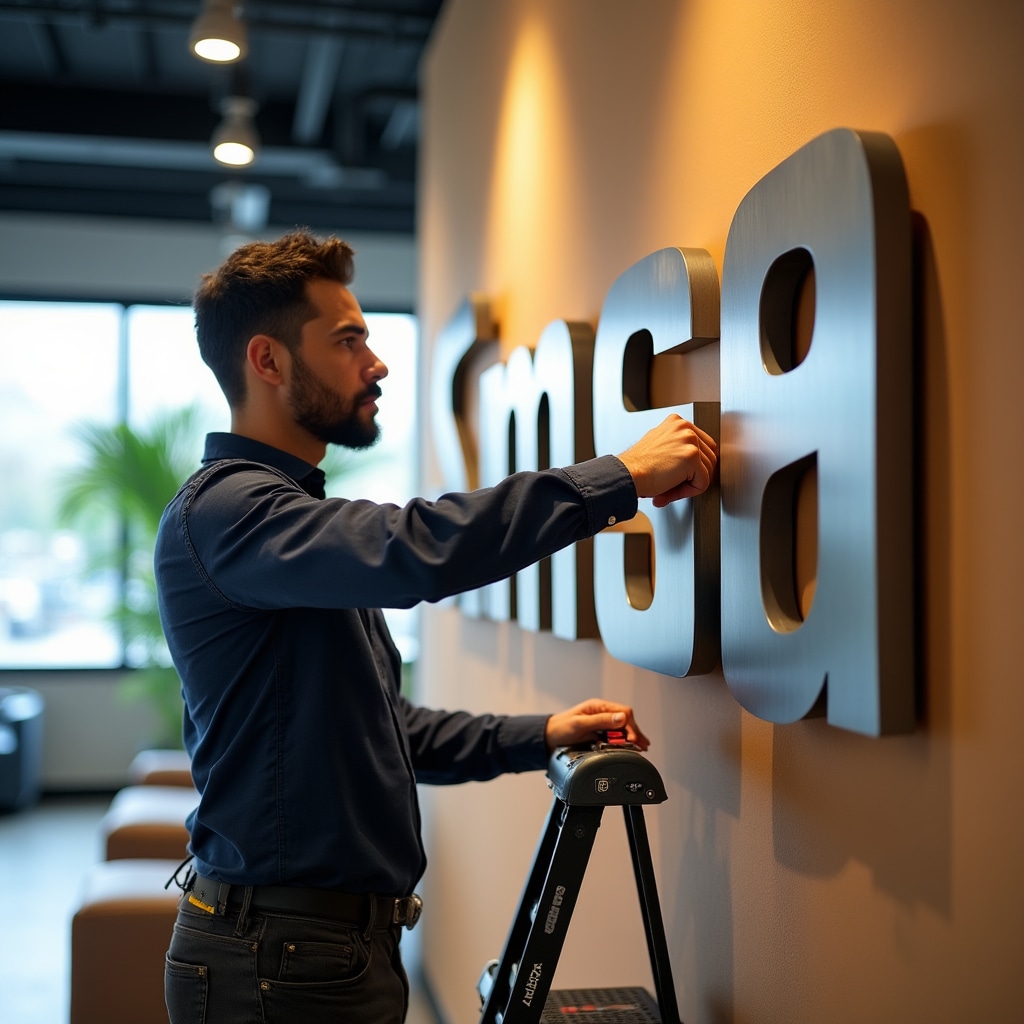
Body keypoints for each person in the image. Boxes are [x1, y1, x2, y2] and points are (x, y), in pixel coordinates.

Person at [154, 230, 717, 1024]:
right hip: (273, 963)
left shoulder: (288, 529)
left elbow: (390, 732)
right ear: (268, 361)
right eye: (348, 340)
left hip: (324, 954)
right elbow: (416, 548)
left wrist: (545, 730)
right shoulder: (227, 512)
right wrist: (619, 476)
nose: (376, 363)